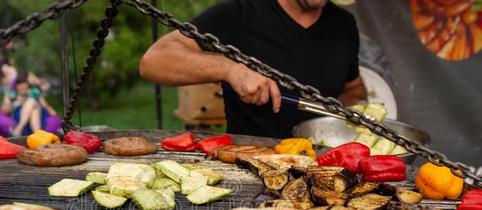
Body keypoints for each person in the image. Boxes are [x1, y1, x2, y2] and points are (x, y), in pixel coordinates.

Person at [139, 0, 368, 137]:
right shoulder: (240, 12)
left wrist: (354, 111)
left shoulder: (344, 24)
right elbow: (154, 61)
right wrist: (231, 69)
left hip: (324, 166)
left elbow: (354, 89)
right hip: (253, 162)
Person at [0, 73, 61, 137]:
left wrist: (53, 114)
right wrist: (17, 102)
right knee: (33, 108)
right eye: (19, 85)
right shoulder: (13, 95)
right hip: (20, 116)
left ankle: (18, 130)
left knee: (32, 102)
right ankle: (38, 135)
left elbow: (45, 106)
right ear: (16, 86)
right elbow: (5, 109)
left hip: (39, 117)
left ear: (28, 85)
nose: (22, 87)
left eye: (24, 84)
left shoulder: (34, 92)